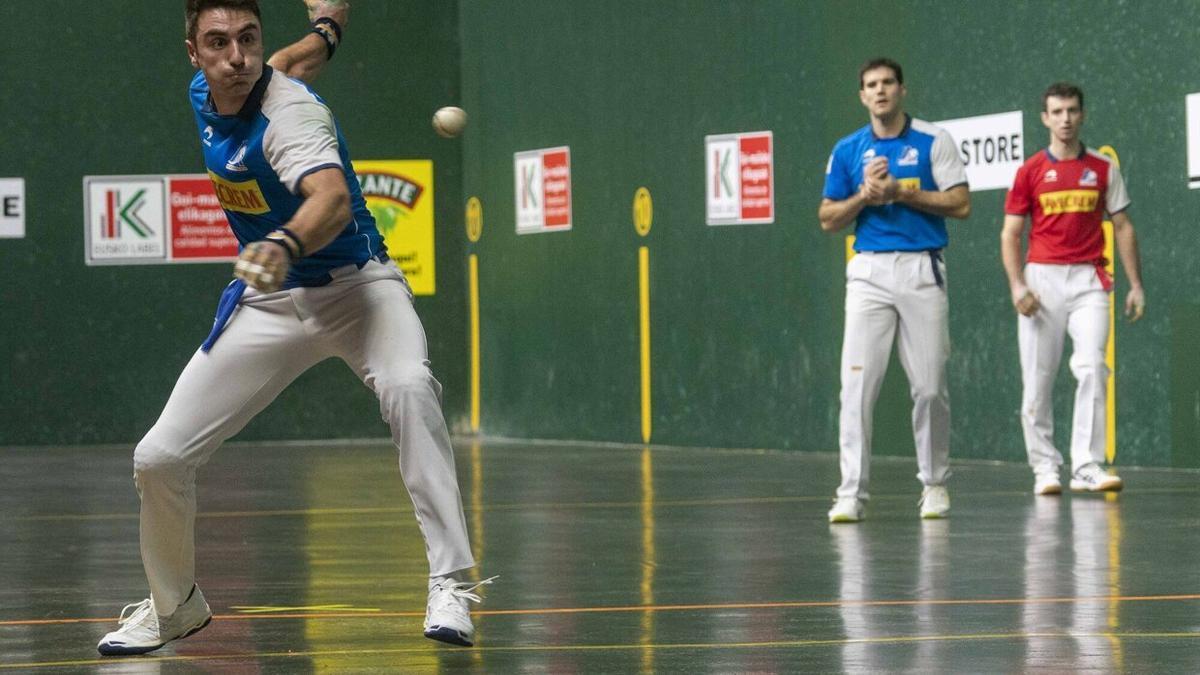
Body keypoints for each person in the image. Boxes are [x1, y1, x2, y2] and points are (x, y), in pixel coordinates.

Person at [98, 0, 489, 655]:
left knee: (409, 386)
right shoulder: (212, 89)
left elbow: (331, 200)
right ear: (194, 54)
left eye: (248, 39)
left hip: (359, 288)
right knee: (159, 459)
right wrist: (329, 27)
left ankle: (451, 582)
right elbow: (291, 59)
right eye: (218, 43)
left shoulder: (291, 115)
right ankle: (174, 606)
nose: (238, 57)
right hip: (273, 303)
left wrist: (282, 243)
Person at [819, 57, 971, 523]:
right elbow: (827, 218)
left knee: (929, 387)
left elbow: (961, 203)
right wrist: (864, 197)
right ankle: (850, 493)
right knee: (856, 387)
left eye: (888, 83)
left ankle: (935, 485)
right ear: (862, 96)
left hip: (922, 269)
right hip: (868, 274)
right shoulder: (847, 150)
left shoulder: (933, 140)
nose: (880, 91)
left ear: (902, 89)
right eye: (871, 85)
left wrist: (900, 192)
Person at [1001, 82, 1144, 496]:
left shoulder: (1102, 168)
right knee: (1037, 379)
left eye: (1072, 111)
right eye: (1057, 112)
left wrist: (1136, 284)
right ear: (1045, 118)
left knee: (1092, 367)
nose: (1065, 119)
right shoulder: (1029, 171)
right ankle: (1044, 467)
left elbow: (1123, 226)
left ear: (1082, 115)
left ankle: (1086, 464)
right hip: (1041, 281)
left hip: (1088, 282)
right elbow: (1010, 234)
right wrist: (1017, 286)